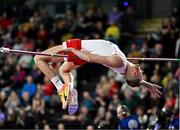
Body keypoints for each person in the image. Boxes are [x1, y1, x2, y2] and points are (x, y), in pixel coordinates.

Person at [34, 39, 162, 114]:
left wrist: (72, 51)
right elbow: (135, 80)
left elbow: (90, 58)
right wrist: (147, 84)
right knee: (64, 70)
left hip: (78, 48)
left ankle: (60, 88)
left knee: (38, 59)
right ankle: (71, 91)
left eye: (140, 74)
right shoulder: (125, 68)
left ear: (134, 73)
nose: (142, 72)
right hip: (82, 53)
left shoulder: (120, 62)